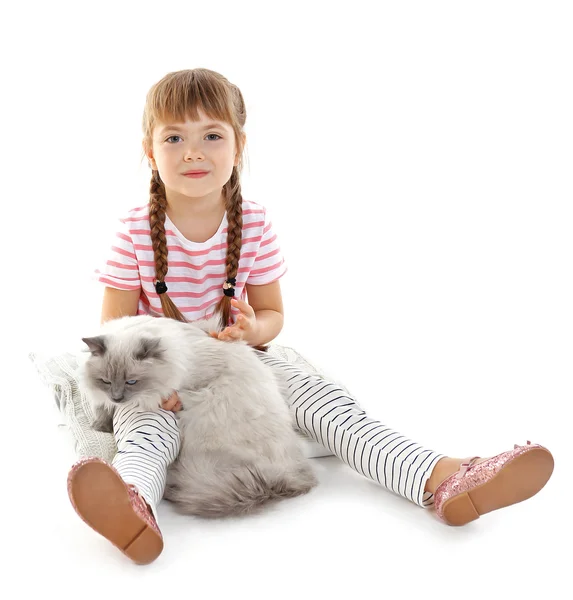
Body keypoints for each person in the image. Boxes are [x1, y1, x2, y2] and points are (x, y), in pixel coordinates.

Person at [67, 68, 554, 565]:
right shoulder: (134, 230)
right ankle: (133, 502)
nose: (193, 151)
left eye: (211, 135)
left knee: (326, 405)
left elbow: (273, 313)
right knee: (149, 429)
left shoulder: (252, 221)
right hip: (153, 376)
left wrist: (253, 329)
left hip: (239, 362)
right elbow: (115, 332)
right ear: (150, 151)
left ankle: (440, 477)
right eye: (174, 137)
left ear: (238, 145)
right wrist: (149, 388)